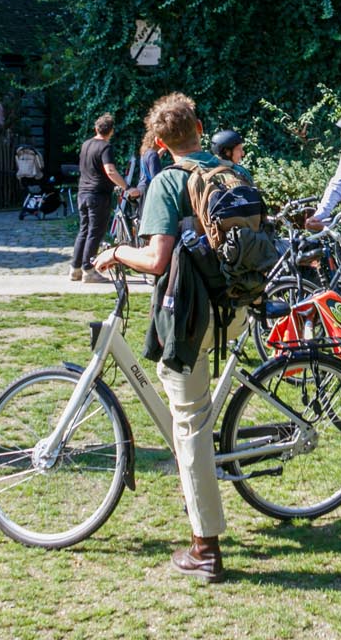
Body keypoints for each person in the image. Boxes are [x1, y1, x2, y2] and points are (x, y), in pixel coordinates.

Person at [90, 92, 243, 584]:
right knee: (187, 397)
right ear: (200, 126)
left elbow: (156, 260)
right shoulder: (230, 173)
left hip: (194, 314)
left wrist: (114, 253)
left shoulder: (167, 182)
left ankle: (205, 548)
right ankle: (196, 487)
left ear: (159, 143)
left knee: (190, 425)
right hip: (234, 305)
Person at [73, 114, 139, 282]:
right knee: (95, 232)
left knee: (84, 230)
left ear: (96, 128)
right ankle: (88, 269)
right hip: (98, 195)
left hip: (82, 193)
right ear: (111, 131)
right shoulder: (105, 147)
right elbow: (109, 170)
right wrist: (128, 188)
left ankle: (75, 269)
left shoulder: (86, 144)